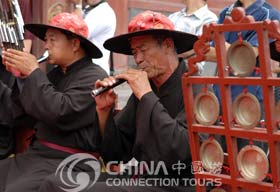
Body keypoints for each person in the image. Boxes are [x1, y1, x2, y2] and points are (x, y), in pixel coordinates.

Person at [38, 10, 200, 192]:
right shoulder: (147, 89)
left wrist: (146, 95)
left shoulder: (197, 90)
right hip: (142, 179)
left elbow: (179, 151)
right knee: (54, 183)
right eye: (134, 52)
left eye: (143, 50)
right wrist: (104, 112)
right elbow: (116, 154)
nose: (138, 59)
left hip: (178, 183)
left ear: (168, 45)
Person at [0, 12, 107, 191]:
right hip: (38, 155)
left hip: (68, 161)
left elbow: (60, 113)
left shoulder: (95, 76)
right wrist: (22, 78)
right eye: (46, 40)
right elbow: (24, 114)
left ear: (74, 44)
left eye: (52, 40)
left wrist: (34, 73)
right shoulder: (55, 74)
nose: (46, 46)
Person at [204, 0, 280, 151]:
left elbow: (247, 56)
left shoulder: (269, 14)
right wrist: (233, 50)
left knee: (250, 162)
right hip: (220, 97)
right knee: (218, 157)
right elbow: (207, 52)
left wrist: (225, 50)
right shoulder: (226, 11)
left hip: (252, 101)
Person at [168, 0, 218, 75]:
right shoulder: (173, 17)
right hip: (165, 67)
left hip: (189, 72)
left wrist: (169, 57)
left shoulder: (210, 19)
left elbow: (201, 49)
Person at [72, 0, 116, 75]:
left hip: (93, 70)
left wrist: (77, 5)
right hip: (83, 67)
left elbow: (78, 32)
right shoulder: (89, 8)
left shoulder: (103, 13)